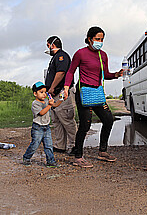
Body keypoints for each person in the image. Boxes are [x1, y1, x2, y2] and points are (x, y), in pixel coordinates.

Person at [64, 26, 123, 168]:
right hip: (84, 92)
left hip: (97, 93)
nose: (100, 42)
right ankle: (78, 157)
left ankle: (102, 152)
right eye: (97, 39)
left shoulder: (103, 55)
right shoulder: (80, 53)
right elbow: (71, 71)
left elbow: (105, 74)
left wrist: (116, 74)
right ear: (90, 39)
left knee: (108, 119)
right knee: (85, 125)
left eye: (102, 39)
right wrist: (66, 87)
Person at [45, 36, 77, 155]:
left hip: (62, 93)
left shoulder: (61, 56)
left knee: (67, 120)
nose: (48, 49)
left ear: (52, 45)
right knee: (57, 121)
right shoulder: (54, 58)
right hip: (53, 96)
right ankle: (60, 145)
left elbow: (61, 73)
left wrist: (52, 87)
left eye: (48, 46)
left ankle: (75, 146)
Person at [23, 81, 62, 168]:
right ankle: (26, 157)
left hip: (46, 127)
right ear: (35, 94)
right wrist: (49, 105)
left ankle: (50, 161)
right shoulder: (35, 104)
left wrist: (62, 99)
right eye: (41, 92)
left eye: (45, 92)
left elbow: (55, 105)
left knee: (49, 145)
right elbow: (41, 113)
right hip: (37, 128)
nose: (44, 94)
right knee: (35, 144)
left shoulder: (46, 101)